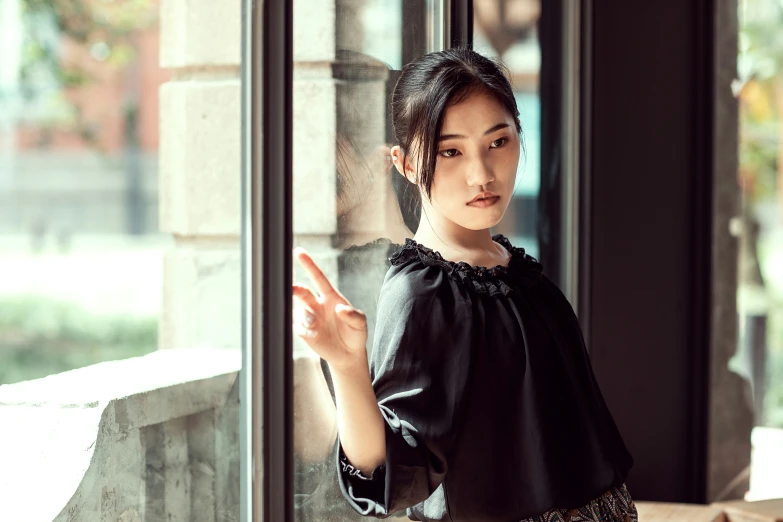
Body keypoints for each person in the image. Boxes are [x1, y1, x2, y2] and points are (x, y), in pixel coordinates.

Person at [292, 48, 637, 522]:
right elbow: (394, 470)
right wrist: (348, 365)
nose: (482, 174)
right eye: (449, 151)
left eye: (498, 142)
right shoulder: (422, 292)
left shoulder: (517, 271)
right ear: (406, 163)